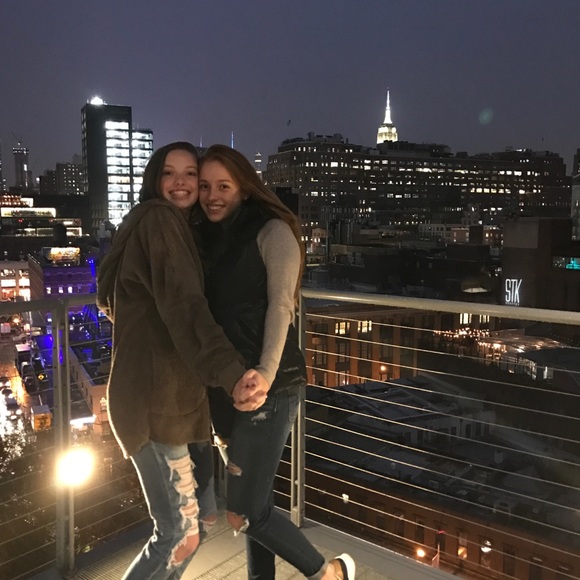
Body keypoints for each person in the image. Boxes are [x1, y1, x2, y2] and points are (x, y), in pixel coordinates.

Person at [97, 141, 267, 580]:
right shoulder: (159, 221)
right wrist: (232, 373)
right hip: (157, 404)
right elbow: (187, 308)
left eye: (190, 174)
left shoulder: (171, 227)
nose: (181, 182)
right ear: (155, 179)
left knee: (201, 522)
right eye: (170, 173)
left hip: (180, 402)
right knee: (178, 535)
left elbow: (130, 302)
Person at [195, 144, 356, 580]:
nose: (212, 195)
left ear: (245, 188)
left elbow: (281, 306)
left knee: (243, 512)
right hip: (226, 387)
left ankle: (330, 573)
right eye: (205, 186)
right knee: (256, 502)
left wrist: (264, 373)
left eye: (224, 186)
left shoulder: (273, 231)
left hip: (272, 384)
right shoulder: (206, 238)